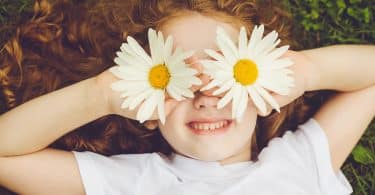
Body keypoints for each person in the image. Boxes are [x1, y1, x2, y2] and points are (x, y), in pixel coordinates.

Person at [0, 0, 374, 194]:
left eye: (226, 72)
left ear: (264, 91)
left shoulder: (301, 160)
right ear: (144, 106)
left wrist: (306, 71)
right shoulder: (130, 182)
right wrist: (99, 95)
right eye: (178, 79)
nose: (205, 94)